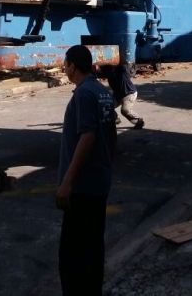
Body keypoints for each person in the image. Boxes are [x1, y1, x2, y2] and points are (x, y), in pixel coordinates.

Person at [57, 45, 117, 296]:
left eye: (66, 63)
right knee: (93, 248)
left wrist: (67, 183)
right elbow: (111, 136)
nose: (64, 67)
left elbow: (88, 136)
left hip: (82, 187)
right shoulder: (102, 92)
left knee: (72, 256)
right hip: (99, 182)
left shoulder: (83, 94)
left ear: (73, 66)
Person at [105, 63, 145, 129]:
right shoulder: (109, 75)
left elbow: (121, 63)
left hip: (129, 94)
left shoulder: (122, 72)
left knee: (125, 110)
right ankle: (115, 119)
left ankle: (138, 121)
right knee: (107, 105)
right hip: (118, 94)